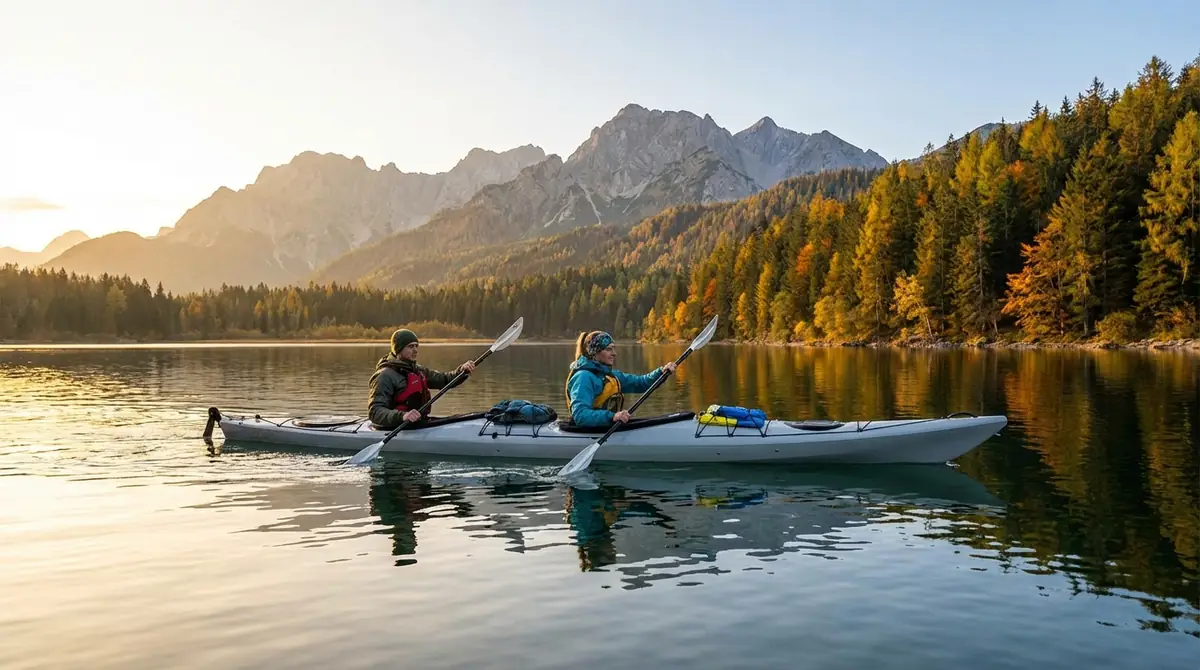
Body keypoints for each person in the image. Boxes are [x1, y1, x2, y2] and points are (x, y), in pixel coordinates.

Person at [368, 328, 477, 430]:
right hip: (394, 427)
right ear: (398, 349)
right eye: (411, 347)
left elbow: (444, 380)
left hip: (417, 425)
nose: (415, 350)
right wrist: (403, 416)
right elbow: (375, 412)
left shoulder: (417, 370)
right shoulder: (384, 376)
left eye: (416, 346)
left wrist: (462, 371)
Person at [564, 330, 677, 427]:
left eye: (613, 348)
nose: (614, 353)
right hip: (588, 432)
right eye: (609, 349)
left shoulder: (610, 376)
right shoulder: (583, 377)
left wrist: (661, 372)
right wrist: (613, 416)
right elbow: (580, 415)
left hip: (605, 429)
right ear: (594, 353)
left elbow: (641, 383)